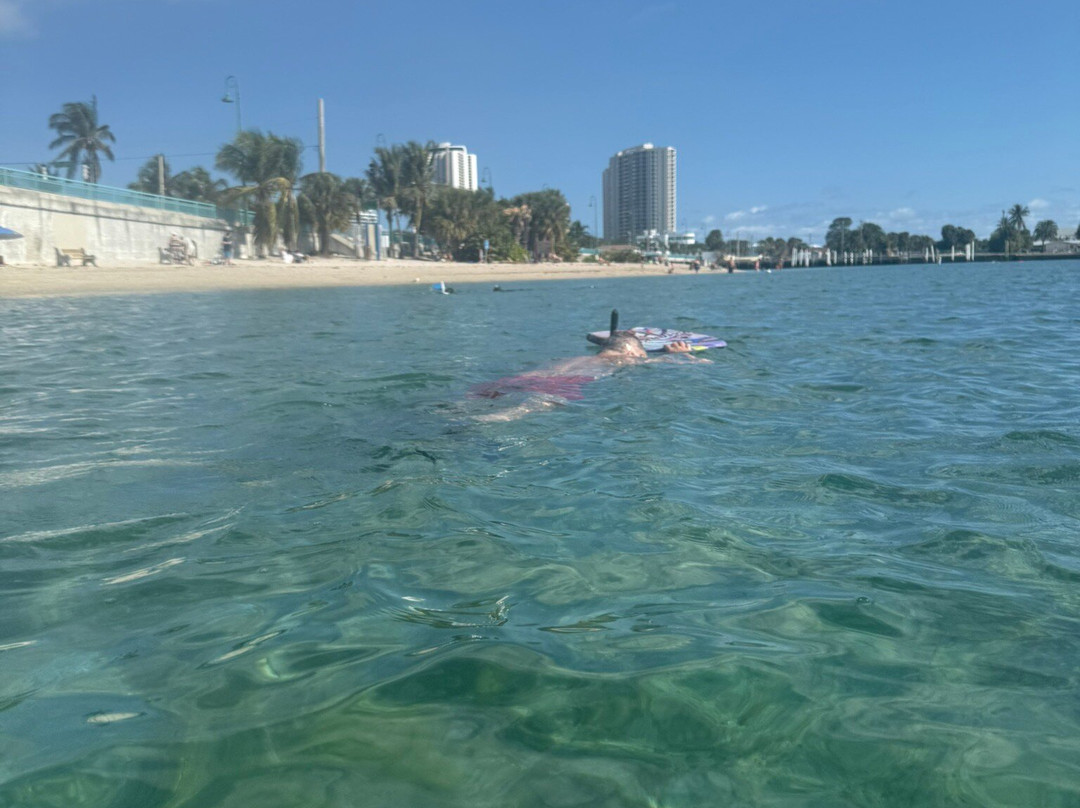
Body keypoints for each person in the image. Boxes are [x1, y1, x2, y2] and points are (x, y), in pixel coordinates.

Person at [470, 312, 708, 422]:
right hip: (564, 383)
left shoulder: (572, 358)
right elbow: (706, 364)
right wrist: (686, 356)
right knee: (537, 405)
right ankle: (487, 420)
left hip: (525, 377)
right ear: (634, 352)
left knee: (477, 399)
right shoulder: (627, 360)